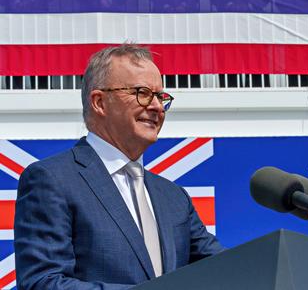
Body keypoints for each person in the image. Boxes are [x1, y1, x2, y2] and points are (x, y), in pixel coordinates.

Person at [14, 45, 224, 288]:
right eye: (142, 93)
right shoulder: (51, 180)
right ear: (100, 102)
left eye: (160, 96)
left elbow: (225, 268)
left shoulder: (174, 197)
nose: (156, 106)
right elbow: (42, 283)